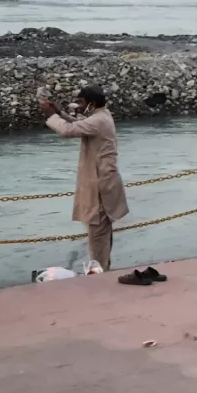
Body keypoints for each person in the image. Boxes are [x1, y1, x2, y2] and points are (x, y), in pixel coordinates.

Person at [38, 86, 128, 271]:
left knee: (97, 230)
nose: (78, 106)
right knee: (100, 230)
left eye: (81, 102)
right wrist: (59, 113)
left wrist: (51, 116)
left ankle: (99, 271)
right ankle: (102, 268)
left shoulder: (98, 121)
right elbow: (80, 124)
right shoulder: (101, 116)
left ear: (92, 103)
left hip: (100, 183)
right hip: (101, 180)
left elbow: (68, 131)